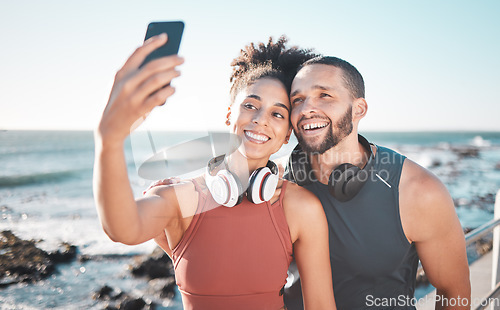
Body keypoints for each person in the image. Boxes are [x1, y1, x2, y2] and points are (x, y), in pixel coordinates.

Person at [93, 34, 336, 310]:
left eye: (277, 114)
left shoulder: (301, 208)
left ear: (286, 136)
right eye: (250, 106)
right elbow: (122, 228)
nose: (260, 120)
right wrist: (109, 140)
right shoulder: (181, 197)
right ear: (229, 115)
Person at [283, 56, 471, 309]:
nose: (306, 109)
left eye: (324, 95)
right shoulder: (273, 181)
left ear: (358, 109)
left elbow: (453, 292)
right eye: (297, 100)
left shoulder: (419, 191)